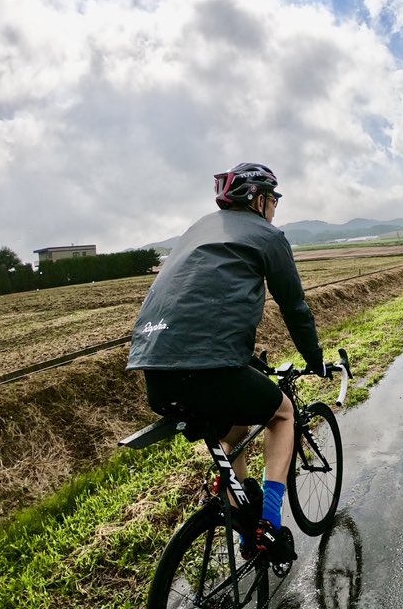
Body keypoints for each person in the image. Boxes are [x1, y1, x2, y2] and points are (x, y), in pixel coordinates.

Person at [127, 162, 328, 563]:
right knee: (283, 414)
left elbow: (196, 310)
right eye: (274, 200)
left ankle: (237, 514)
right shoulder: (268, 236)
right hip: (210, 369)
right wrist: (315, 359)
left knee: (233, 421)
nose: (275, 209)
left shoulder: (197, 230)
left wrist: (247, 362)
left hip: (156, 374)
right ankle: (269, 523)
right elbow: (295, 307)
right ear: (258, 200)